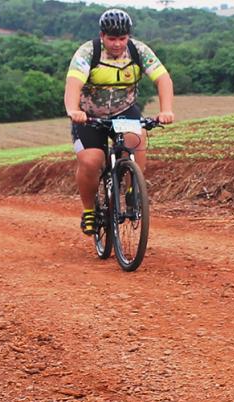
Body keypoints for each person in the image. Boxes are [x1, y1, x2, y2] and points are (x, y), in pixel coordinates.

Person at [64, 8, 175, 235]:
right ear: (102, 35)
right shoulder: (88, 52)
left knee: (136, 139)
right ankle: (89, 211)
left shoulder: (138, 51)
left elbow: (163, 79)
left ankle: (133, 190)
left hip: (124, 110)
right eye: (112, 38)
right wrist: (73, 110)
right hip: (89, 115)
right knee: (91, 160)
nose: (117, 44)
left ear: (129, 36)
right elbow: (73, 84)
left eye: (122, 38)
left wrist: (166, 110)